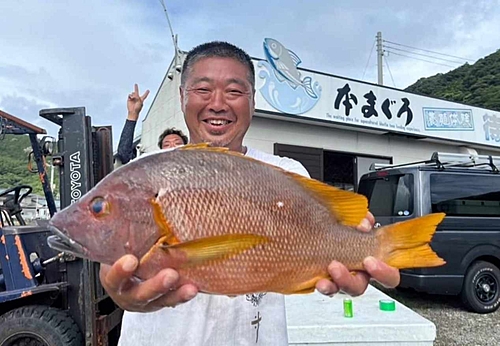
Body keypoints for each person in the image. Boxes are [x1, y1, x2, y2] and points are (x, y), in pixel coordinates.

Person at [100, 41, 400, 345]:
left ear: (252, 100)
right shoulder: (144, 173)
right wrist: (117, 285)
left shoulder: (287, 172)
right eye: (203, 90)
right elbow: (112, 260)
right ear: (182, 96)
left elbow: (325, 235)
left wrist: (364, 246)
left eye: (234, 91)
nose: (217, 103)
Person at [115, 84, 188, 165]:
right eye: (167, 145)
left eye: (177, 143)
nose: (172, 147)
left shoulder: (195, 165)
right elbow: (124, 156)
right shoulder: (153, 167)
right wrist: (132, 114)